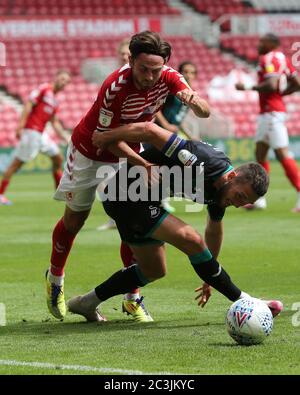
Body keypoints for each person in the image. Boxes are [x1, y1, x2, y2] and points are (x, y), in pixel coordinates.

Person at [46, 31, 210, 321]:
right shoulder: (115, 87)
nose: (149, 76)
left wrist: (194, 101)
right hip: (90, 150)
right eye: (143, 69)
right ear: (131, 60)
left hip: (129, 151)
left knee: (132, 218)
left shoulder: (169, 77)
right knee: (75, 220)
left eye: (155, 70)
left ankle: (132, 298)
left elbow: (204, 112)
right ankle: (55, 280)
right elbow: (104, 139)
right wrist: (142, 163)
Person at [66, 121, 283, 322]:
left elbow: (214, 229)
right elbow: (150, 131)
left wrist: (211, 275)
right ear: (232, 176)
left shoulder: (223, 192)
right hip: (125, 194)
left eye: (245, 202)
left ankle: (86, 303)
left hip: (142, 201)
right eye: (241, 197)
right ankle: (247, 301)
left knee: (153, 270)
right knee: (191, 238)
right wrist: (108, 136)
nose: (238, 204)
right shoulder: (202, 161)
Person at [235, 33, 300, 212]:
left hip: (272, 114)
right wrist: (282, 94)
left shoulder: (268, 58)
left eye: (261, 42)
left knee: (282, 154)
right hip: (270, 113)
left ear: (272, 43)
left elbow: (271, 85)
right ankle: (259, 200)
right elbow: (297, 83)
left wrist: (247, 87)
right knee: (261, 153)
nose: (258, 45)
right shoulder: (283, 59)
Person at [0, 70, 71, 205]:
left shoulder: (55, 101)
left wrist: (65, 138)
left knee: (58, 157)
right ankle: (0, 194)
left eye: (66, 82)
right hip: (31, 132)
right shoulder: (44, 89)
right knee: (16, 165)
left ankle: (59, 191)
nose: (63, 83)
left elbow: (54, 122)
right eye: (62, 79)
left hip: (41, 134)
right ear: (56, 77)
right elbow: (28, 105)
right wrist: (20, 126)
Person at [154, 60, 198, 213]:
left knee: (168, 166)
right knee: (162, 165)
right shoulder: (173, 91)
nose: (188, 75)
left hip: (171, 134)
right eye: (185, 72)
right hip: (157, 132)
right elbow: (156, 107)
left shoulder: (190, 94)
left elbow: (179, 120)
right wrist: (165, 125)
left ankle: (161, 199)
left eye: (192, 72)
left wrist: (190, 135)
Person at [96, 38, 131, 231]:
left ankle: (129, 219)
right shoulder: (112, 79)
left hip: (132, 136)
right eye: (122, 54)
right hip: (113, 136)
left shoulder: (143, 78)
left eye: (128, 54)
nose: (125, 57)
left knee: (131, 180)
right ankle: (115, 218)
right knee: (104, 180)